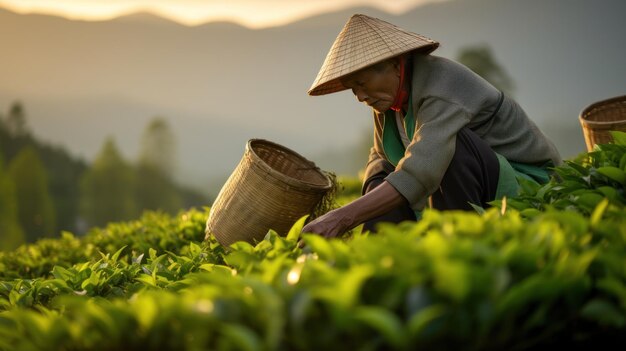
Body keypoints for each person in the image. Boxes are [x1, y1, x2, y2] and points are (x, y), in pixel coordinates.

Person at [301, 14, 561, 238]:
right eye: (353, 89)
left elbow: (421, 170)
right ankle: (380, 258)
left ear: (394, 65)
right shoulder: (387, 100)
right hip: (477, 185)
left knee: (452, 149)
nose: (359, 96)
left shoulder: (442, 88)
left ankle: (454, 242)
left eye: (362, 83)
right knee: (381, 168)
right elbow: (380, 157)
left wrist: (342, 217)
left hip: (526, 183)